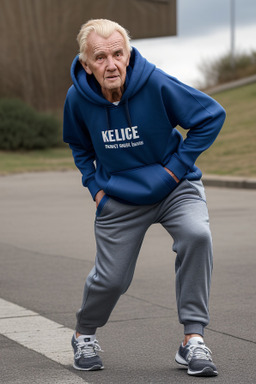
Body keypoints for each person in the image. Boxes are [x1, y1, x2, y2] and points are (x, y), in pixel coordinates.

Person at [63, 19, 226, 377]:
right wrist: (95, 188)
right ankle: (84, 334)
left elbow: (211, 115)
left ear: (129, 54)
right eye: (100, 57)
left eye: (118, 54)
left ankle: (193, 340)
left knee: (197, 236)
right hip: (119, 196)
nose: (111, 64)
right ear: (86, 63)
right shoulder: (77, 98)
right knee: (112, 279)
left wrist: (177, 167)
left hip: (173, 187)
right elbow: (78, 144)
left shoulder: (155, 82)